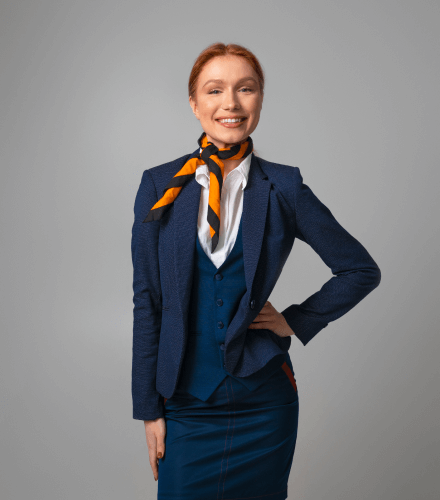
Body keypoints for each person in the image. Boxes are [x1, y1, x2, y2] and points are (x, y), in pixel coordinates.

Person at [131, 42, 381, 499]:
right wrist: (148, 409)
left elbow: (359, 269)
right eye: (215, 90)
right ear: (194, 104)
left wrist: (295, 320)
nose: (230, 103)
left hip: (264, 403)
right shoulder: (158, 185)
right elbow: (147, 301)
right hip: (186, 401)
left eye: (245, 89)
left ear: (260, 100)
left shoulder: (283, 186)